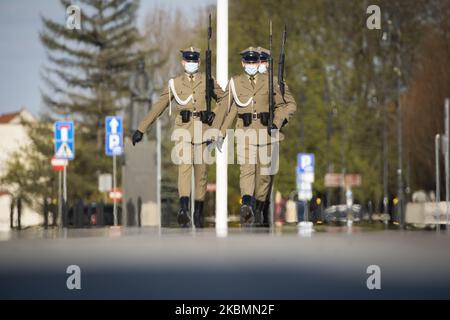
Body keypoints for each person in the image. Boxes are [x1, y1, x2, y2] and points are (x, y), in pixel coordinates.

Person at [132, 47, 226, 228]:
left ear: (198, 63)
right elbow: (159, 106)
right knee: (184, 168)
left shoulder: (208, 80)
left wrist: (213, 114)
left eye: (194, 61)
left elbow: (224, 99)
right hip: (183, 131)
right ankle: (184, 208)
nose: (191, 64)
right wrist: (141, 129)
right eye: (188, 61)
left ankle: (198, 211)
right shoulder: (174, 84)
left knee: (201, 174)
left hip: (203, 131)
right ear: (183, 63)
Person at [212, 46, 296, 226]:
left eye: (254, 61)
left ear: (258, 63)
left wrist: (276, 122)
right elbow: (224, 109)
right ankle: (247, 204)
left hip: (267, 133)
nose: (251, 64)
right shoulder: (235, 83)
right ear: (243, 63)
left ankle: (259, 207)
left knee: (264, 176)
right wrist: (218, 132)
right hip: (245, 133)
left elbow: (283, 106)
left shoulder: (271, 82)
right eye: (248, 62)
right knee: (247, 170)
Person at [256, 46, 297, 227]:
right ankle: (255, 209)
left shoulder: (276, 83)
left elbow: (291, 105)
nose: (260, 64)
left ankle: (263, 208)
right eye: (257, 60)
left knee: (267, 176)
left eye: (263, 60)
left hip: (271, 134)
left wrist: (277, 121)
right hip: (250, 135)